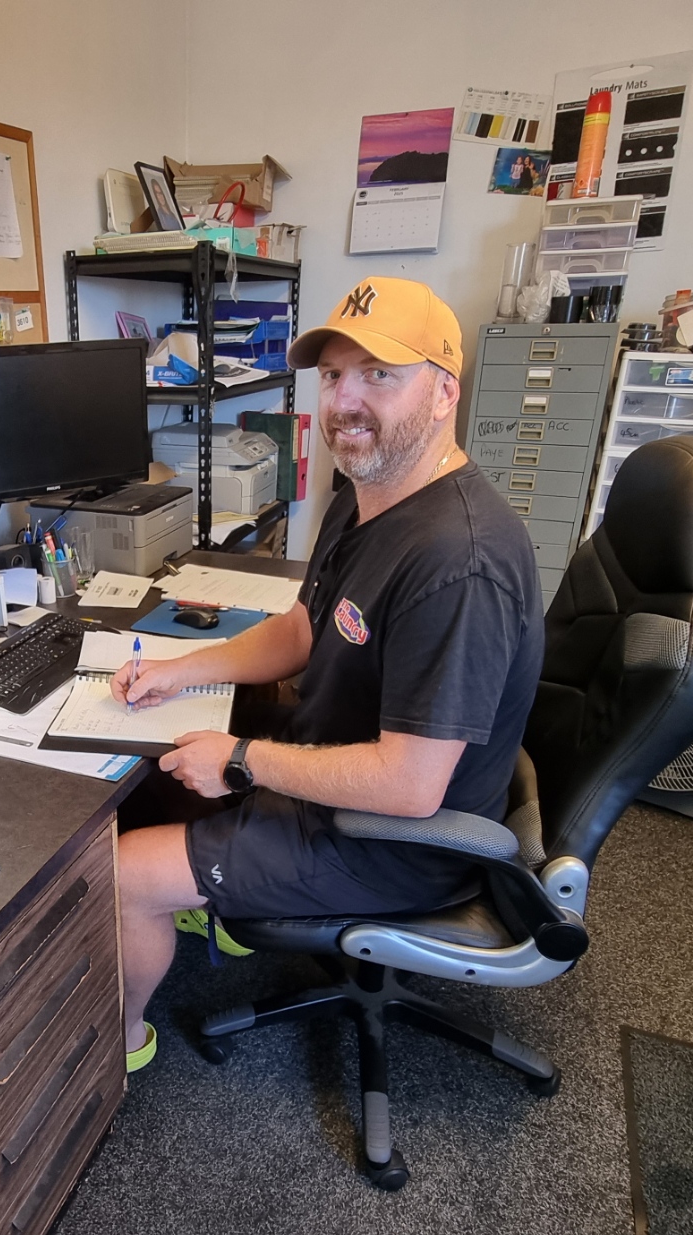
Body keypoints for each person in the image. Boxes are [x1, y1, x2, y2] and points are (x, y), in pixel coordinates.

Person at [113, 276, 544, 1072]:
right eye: (334, 374)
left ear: (444, 391)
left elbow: (411, 786)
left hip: (392, 839)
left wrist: (242, 759)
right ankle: (227, 891)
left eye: (379, 373)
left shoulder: (460, 561)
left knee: (121, 874)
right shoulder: (369, 489)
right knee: (154, 757)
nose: (346, 399)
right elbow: (304, 628)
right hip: (337, 774)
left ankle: (118, 1046)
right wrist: (182, 669)